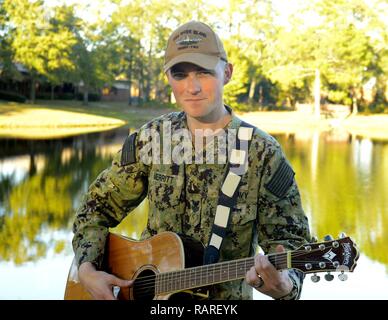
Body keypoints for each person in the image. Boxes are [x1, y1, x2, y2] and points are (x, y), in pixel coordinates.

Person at [72, 20, 311, 300]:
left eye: (204, 73)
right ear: (168, 78)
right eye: (180, 74)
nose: (192, 87)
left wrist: (285, 286)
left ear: (227, 72)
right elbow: (95, 210)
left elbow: (291, 245)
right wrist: (87, 269)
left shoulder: (262, 152)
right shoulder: (152, 139)